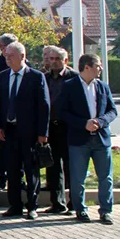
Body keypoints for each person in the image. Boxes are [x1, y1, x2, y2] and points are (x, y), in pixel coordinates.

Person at [0, 42, 50, 220]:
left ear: (22, 56)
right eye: (6, 55)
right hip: (9, 132)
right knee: (12, 170)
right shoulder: (2, 77)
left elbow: (44, 106)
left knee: (31, 170)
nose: (7, 58)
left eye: (10, 55)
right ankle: (15, 205)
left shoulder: (36, 77)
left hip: (30, 133)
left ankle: (32, 206)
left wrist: (43, 133)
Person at [60, 54, 117, 224]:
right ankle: (80, 209)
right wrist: (83, 124)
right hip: (79, 140)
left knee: (105, 177)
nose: (101, 68)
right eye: (98, 65)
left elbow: (112, 111)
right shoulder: (69, 86)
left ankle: (106, 211)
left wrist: (100, 122)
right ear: (87, 67)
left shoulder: (103, 86)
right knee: (78, 178)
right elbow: (63, 112)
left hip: (101, 139)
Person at [43, 46, 78, 214]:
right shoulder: (43, 78)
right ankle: (57, 203)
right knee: (53, 167)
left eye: (57, 59)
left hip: (68, 128)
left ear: (65, 60)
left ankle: (73, 204)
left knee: (71, 166)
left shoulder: (74, 78)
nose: (54, 62)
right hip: (50, 127)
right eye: (51, 59)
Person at [0, 33, 18, 192]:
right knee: (3, 150)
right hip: (4, 116)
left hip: (21, 120)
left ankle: (19, 179)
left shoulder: (26, 66)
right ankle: (2, 179)